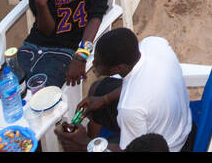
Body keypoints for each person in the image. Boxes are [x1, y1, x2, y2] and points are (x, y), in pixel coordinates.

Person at [56, 27, 192, 152]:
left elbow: (129, 150)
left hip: (168, 146)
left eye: (98, 62)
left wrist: (85, 144)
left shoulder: (129, 108)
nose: (93, 63)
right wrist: (104, 100)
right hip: (182, 124)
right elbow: (140, 84)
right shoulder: (153, 44)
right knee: (98, 89)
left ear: (118, 68)